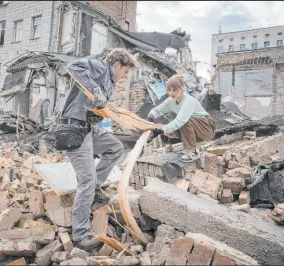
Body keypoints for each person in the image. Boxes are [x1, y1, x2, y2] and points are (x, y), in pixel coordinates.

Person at [59, 48, 137, 251]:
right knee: (86, 180)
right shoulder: (100, 67)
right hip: (73, 128)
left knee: (115, 147)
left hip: (88, 129)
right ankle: (81, 235)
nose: (124, 76)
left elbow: (95, 110)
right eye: (125, 72)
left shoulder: (110, 83)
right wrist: (95, 89)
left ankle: (95, 188)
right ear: (117, 65)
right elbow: (72, 66)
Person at [147, 75, 216, 162]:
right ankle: (188, 145)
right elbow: (158, 110)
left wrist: (162, 130)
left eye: (174, 90)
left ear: (182, 89)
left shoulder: (188, 101)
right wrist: (150, 117)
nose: (171, 93)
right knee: (169, 125)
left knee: (181, 122)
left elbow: (180, 121)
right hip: (197, 128)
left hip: (207, 127)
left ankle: (193, 152)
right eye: (169, 90)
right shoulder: (171, 100)